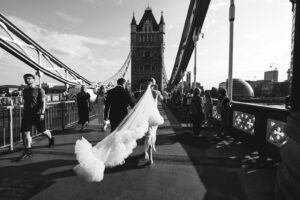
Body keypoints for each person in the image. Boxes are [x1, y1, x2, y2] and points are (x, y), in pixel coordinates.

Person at [18, 74, 54, 161]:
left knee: (43, 131)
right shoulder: (25, 90)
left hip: (37, 114)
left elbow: (43, 102)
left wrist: (42, 113)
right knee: (26, 133)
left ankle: (51, 138)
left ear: (34, 79)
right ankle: (28, 151)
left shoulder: (39, 89)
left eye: (29, 78)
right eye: (26, 79)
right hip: (27, 115)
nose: (27, 80)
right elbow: (25, 101)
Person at [143, 78, 163, 165]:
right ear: (154, 84)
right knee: (152, 134)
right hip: (155, 117)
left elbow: (136, 102)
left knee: (148, 135)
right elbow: (162, 99)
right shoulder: (157, 92)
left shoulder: (143, 92)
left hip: (146, 116)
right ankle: (150, 157)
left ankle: (149, 156)